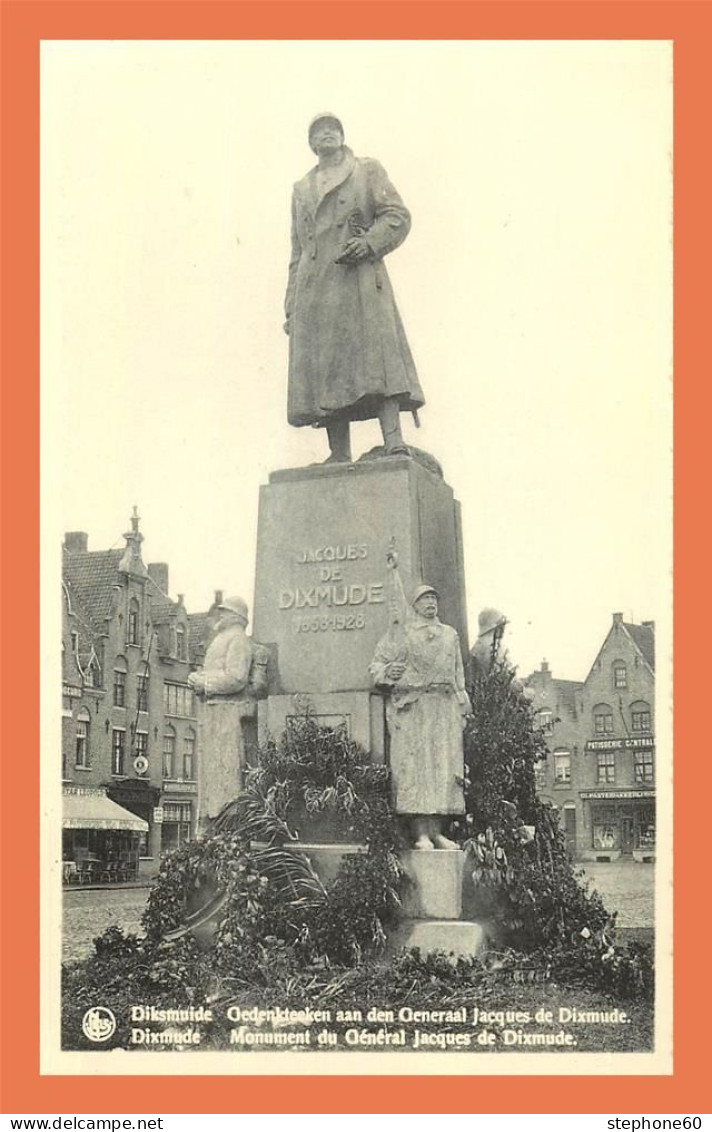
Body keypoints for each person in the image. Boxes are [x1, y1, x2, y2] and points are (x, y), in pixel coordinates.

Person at [285, 113, 425, 463]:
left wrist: (370, 243)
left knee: (377, 358)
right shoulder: (301, 190)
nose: (327, 133)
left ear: (343, 135)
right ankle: (338, 451)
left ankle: (393, 440)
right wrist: (291, 304)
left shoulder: (366, 170)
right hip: (316, 289)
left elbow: (397, 215)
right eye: (318, 130)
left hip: (358, 279)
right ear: (311, 144)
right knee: (327, 366)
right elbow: (297, 249)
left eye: (332, 128)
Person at [370, 559, 472, 850]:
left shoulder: (450, 635)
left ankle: (438, 830)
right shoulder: (403, 633)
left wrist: (463, 699)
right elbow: (378, 664)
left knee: (442, 768)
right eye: (424, 599)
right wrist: (387, 673)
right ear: (414, 605)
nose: (430, 604)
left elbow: (458, 674)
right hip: (416, 708)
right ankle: (420, 833)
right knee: (418, 769)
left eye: (433, 599)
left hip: (444, 708)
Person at [188, 596, 255, 830]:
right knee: (212, 771)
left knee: (225, 769)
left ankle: (226, 820)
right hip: (213, 713)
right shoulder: (221, 639)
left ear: (237, 616)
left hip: (226, 714)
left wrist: (204, 683)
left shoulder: (238, 640)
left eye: (225, 612)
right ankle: (214, 819)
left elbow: (237, 678)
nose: (221, 615)